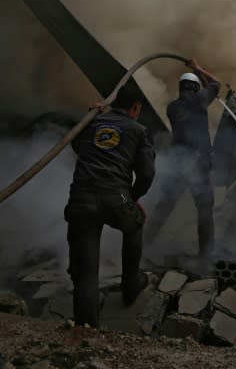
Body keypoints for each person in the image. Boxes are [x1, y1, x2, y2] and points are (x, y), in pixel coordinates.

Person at [65, 85, 155, 327]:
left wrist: (92, 117)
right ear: (136, 107)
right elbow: (146, 175)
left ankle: (86, 330)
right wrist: (133, 198)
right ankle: (131, 284)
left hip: (81, 199)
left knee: (85, 273)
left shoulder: (92, 122)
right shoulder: (139, 130)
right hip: (118, 197)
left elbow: (77, 146)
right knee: (136, 222)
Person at [144, 58, 220, 258]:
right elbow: (215, 84)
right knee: (204, 211)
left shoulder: (173, 108)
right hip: (199, 164)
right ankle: (205, 255)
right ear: (196, 88)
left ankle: (143, 245)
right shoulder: (200, 101)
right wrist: (199, 68)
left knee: (165, 206)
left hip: (179, 164)